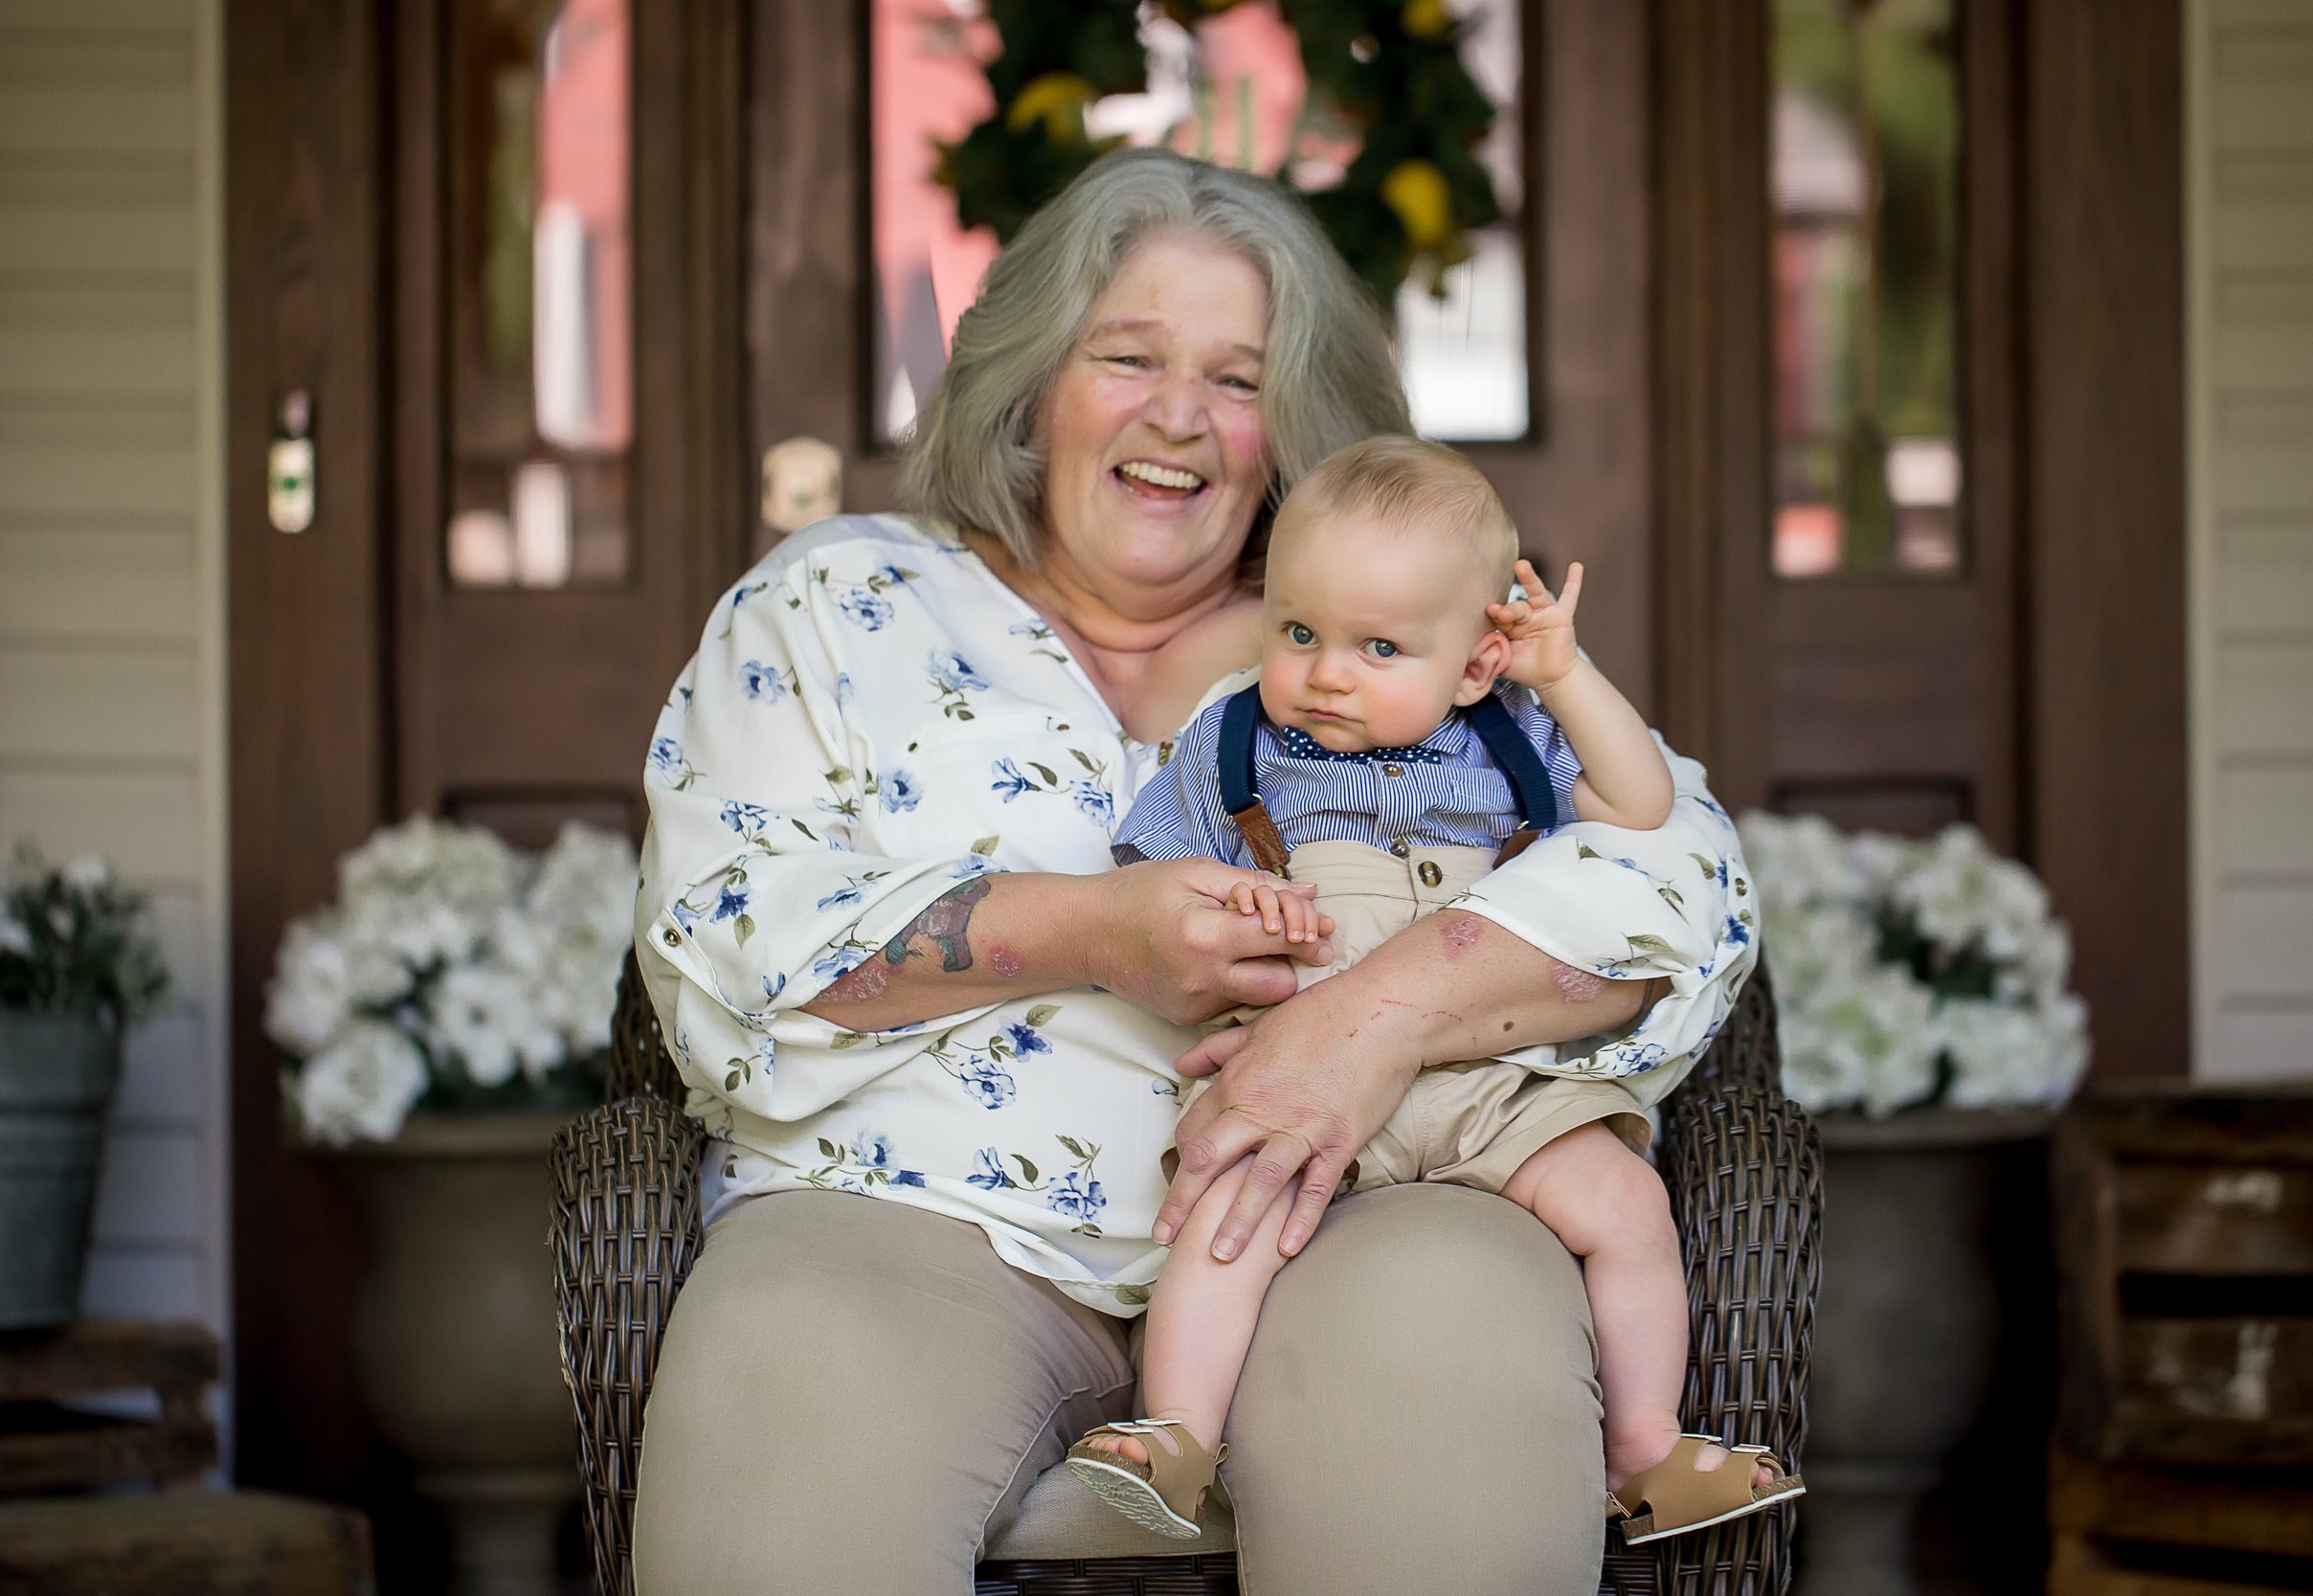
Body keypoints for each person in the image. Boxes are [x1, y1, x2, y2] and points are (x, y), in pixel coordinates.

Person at [628, 146, 1759, 1596]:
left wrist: (1372, 1019)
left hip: (1365, 1192)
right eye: (1129, 355)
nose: (1180, 417)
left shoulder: (1390, 626)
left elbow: (1681, 879)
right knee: (788, 1407)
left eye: (1239, 378)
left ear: (1295, 425)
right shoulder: (838, 602)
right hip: (917, 1215)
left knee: (1448, 1353)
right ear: (1033, 377)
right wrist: (1096, 929)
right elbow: (723, 936)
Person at [1063, 436, 1801, 1549]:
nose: (1326, 672)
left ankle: (1644, 1448)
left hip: (1486, 1074)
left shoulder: (1512, 738)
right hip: (1302, 1077)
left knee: (1626, 1207)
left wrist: (1564, 673)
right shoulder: (1235, 747)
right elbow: (1152, 884)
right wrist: (1231, 905)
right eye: (1299, 632)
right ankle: (1176, 1433)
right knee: (1224, 1224)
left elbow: (1642, 805)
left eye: (1379, 646)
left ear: (1472, 667)